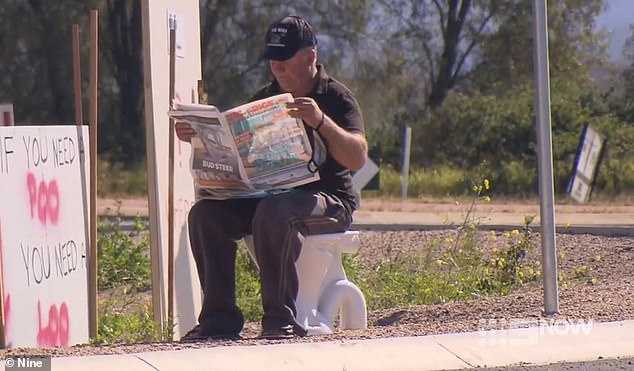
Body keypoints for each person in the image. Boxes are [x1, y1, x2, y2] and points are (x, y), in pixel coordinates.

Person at [175, 15, 367, 340]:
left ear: (310, 57)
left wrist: (321, 121)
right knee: (205, 215)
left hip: (329, 201)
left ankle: (281, 320)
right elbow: (241, 155)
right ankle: (219, 320)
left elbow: (358, 157)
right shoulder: (264, 97)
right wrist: (201, 138)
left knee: (276, 212)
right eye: (272, 58)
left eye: (285, 57)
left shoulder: (336, 97)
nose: (277, 66)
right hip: (271, 196)